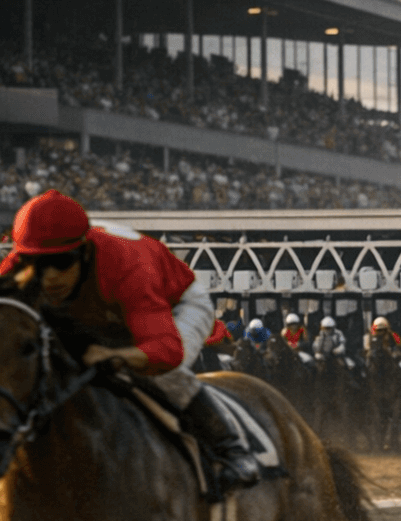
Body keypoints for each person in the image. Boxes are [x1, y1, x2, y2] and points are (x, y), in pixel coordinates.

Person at [0, 190, 259, 489]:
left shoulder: (129, 266)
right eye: (37, 264)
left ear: (83, 252)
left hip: (175, 305)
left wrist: (116, 356)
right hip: (99, 309)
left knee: (157, 373)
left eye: (62, 263)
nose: (49, 278)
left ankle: (230, 448)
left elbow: (165, 351)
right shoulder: (20, 266)